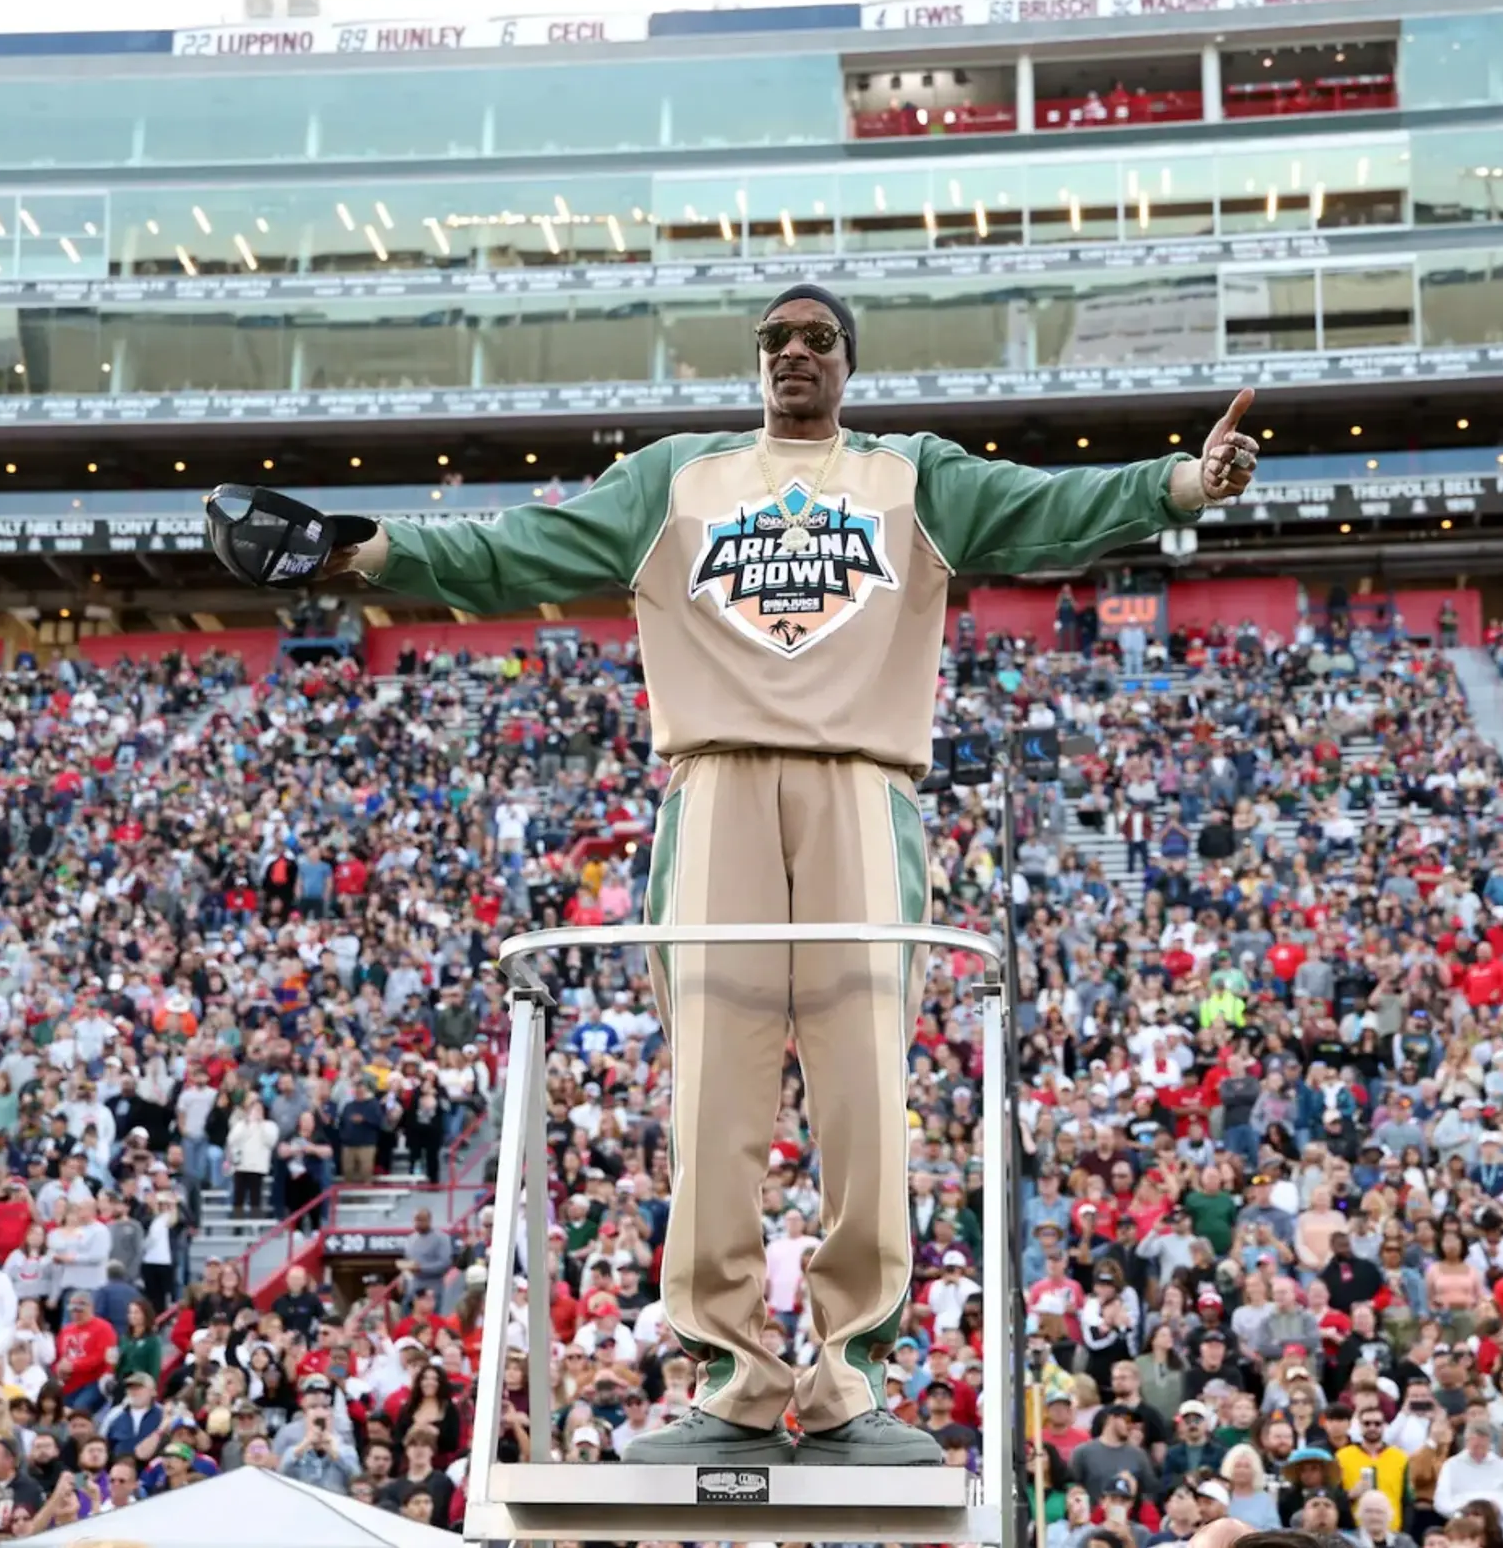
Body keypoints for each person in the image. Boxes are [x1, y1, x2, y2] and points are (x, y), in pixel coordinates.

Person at [226, 283, 1263, 1465]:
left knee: (865, 1090)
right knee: (713, 1094)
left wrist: (1184, 481)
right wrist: (368, 549)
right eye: (774, 339)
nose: (793, 354)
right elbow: (517, 548)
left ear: (848, 364)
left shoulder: (912, 475)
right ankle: (728, 1373)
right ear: (754, 362)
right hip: (710, 785)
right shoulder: (674, 477)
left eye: (817, 338)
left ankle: (849, 1381)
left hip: (863, 788)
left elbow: (1051, 508)